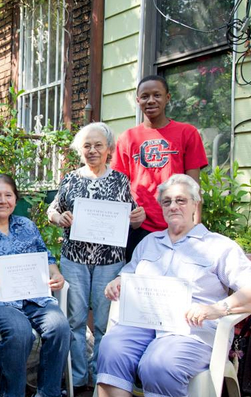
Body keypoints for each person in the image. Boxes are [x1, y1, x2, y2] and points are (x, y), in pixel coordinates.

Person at [97, 174, 251, 397]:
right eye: (167, 201)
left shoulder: (219, 246)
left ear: (195, 203)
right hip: (143, 325)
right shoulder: (149, 243)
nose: (173, 206)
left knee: (158, 363)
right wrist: (117, 282)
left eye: (181, 200)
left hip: (190, 331)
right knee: (111, 348)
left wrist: (218, 308)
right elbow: (128, 275)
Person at [46, 123, 145, 393]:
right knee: (75, 320)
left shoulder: (120, 180)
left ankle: (102, 376)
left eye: (98, 145)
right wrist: (58, 217)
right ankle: (78, 378)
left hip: (110, 261)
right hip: (74, 259)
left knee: (104, 323)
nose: (92, 150)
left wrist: (139, 218)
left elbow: (133, 218)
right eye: (87, 145)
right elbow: (53, 210)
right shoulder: (70, 179)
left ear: (108, 150)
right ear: (81, 150)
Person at [0, 174, 71, 397]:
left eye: (8, 195)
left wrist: (56, 274)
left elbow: (45, 258)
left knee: (59, 326)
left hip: (35, 296)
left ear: (15, 199)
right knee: (20, 332)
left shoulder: (26, 226)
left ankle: (48, 393)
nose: (2, 201)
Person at [111, 75, 208, 261]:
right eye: (145, 96)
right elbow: (119, 187)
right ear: (138, 100)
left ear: (168, 98)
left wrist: (195, 224)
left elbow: (194, 185)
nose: (151, 100)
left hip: (177, 221)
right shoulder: (127, 138)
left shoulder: (187, 133)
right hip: (140, 226)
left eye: (157, 95)